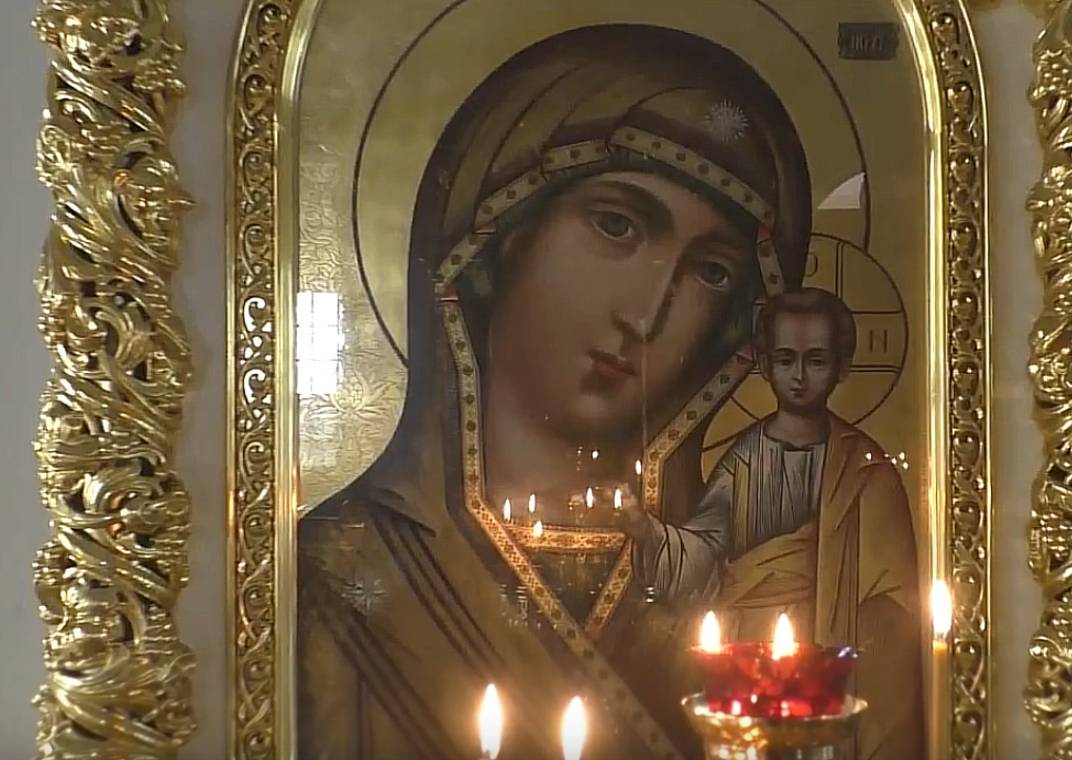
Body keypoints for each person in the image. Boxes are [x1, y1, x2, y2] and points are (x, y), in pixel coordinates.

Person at [297, 25, 812, 760]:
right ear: (504, 233)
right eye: (617, 225)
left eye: (711, 272)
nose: (646, 315)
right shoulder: (335, 577)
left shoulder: (745, 583)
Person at [631, 288, 926, 759]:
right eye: (786, 360)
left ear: (842, 366)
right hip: (748, 652)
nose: (800, 376)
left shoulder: (867, 469)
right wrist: (647, 533)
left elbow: (898, 598)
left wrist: (862, 644)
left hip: (828, 647)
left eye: (816, 361)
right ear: (766, 366)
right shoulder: (744, 459)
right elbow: (704, 548)